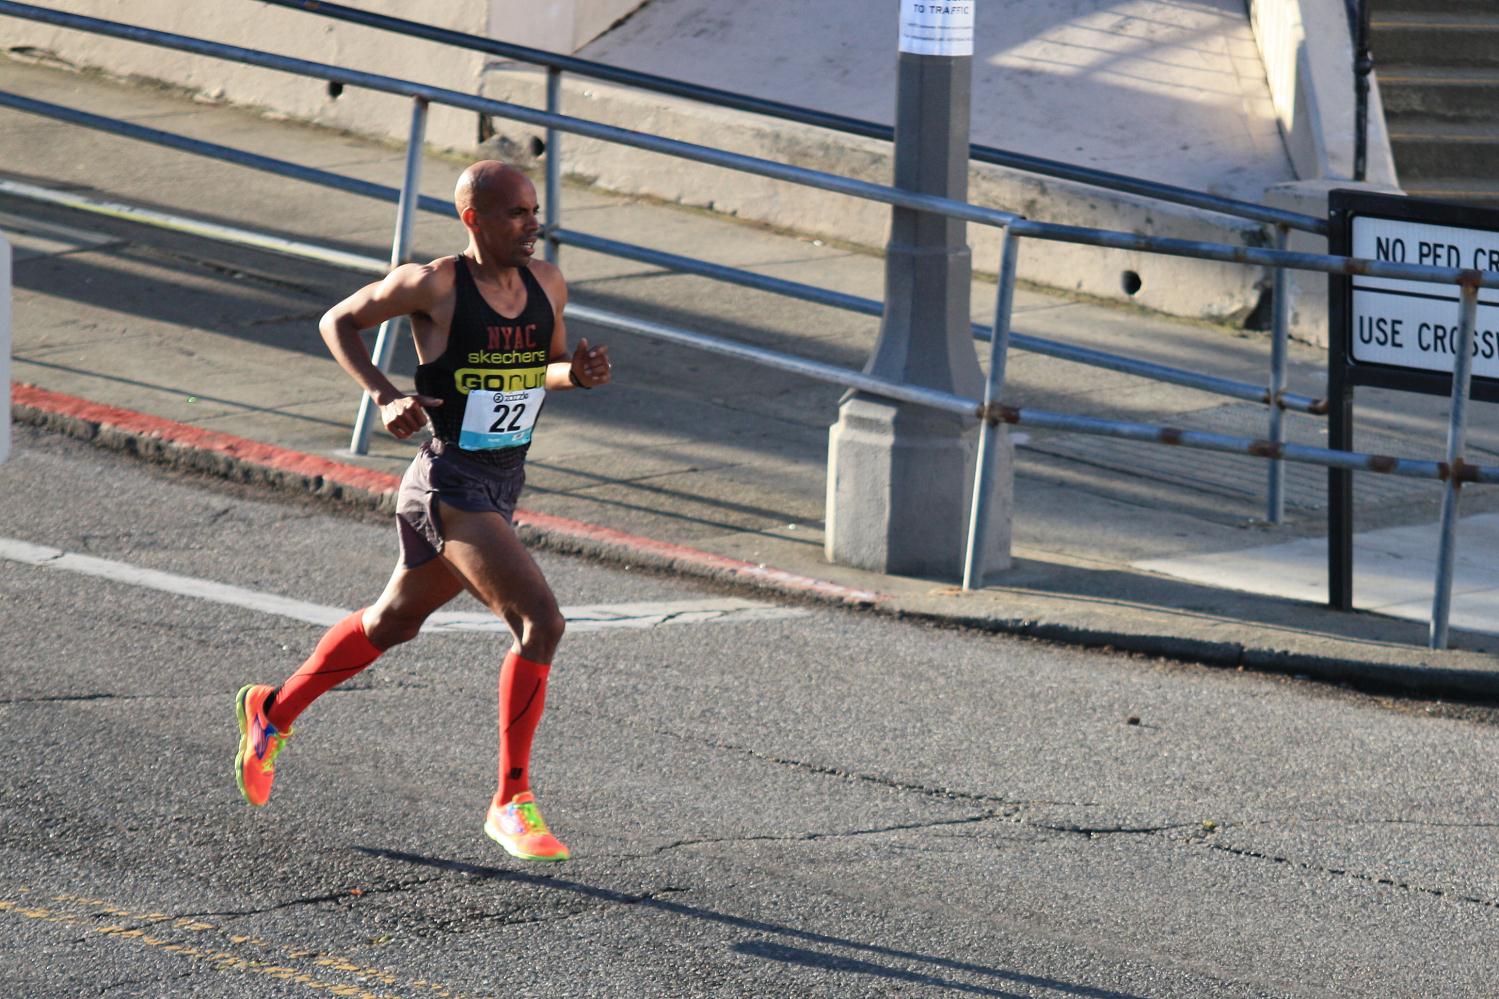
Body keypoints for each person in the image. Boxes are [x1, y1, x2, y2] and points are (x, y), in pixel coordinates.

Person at [233, 161, 610, 863]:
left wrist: (575, 374)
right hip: (447, 484)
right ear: (474, 219)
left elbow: (544, 366)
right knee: (540, 620)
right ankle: (511, 799)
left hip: (502, 481)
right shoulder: (433, 283)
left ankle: (271, 710)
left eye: (534, 212)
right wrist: (383, 395)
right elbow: (336, 320)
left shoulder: (546, 283)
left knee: (393, 622)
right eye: (515, 215)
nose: (532, 226)